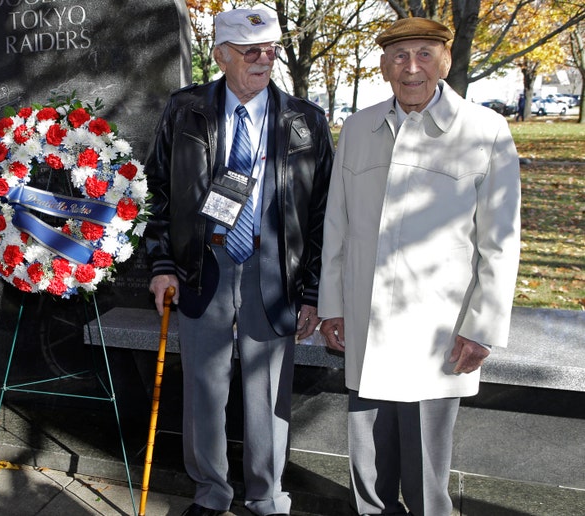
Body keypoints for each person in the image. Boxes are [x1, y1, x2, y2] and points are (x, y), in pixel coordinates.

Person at [318, 18, 521, 516]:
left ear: (445, 61)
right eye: (399, 55)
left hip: (439, 331)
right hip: (365, 321)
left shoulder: (486, 130)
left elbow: (500, 242)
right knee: (369, 467)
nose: (412, 67)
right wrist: (331, 306)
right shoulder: (358, 128)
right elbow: (337, 225)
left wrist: (482, 327)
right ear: (384, 66)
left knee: (428, 476)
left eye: (425, 54)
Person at [144, 8, 334, 516]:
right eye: (250, 51)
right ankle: (210, 492)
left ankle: (267, 496)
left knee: (267, 393)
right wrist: (162, 264)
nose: (263, 59)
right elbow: (155, 189)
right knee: (203, 389)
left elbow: (323, 212)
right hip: (202, 266)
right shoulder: (185, 110)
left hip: (275, 270)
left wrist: (314, 289)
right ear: (220, 56)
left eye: (270, 49)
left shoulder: (305, 120)